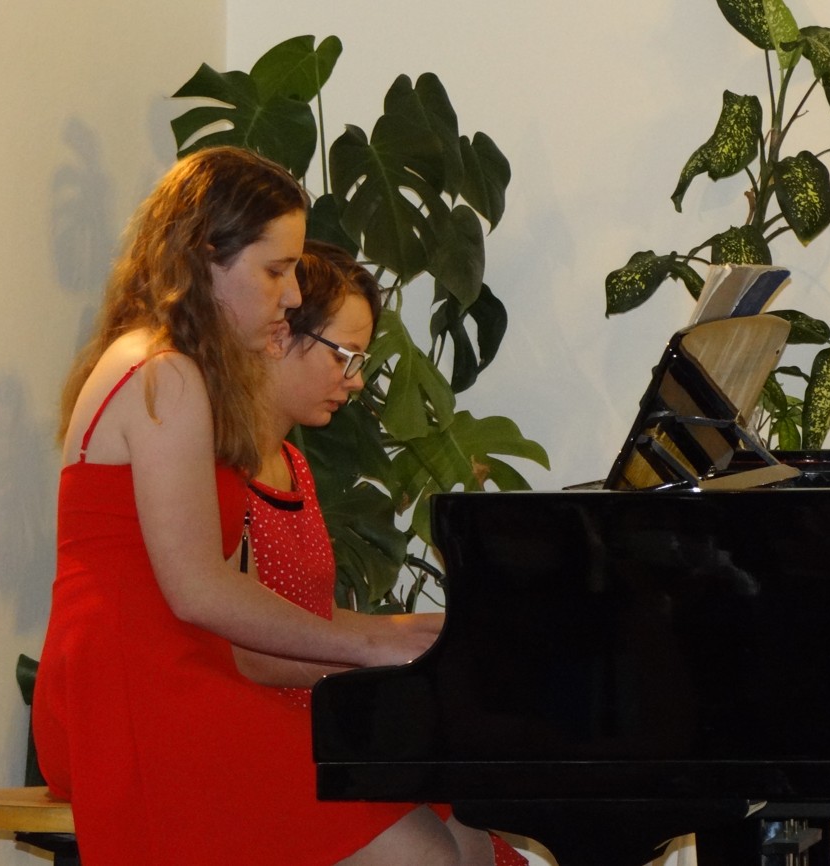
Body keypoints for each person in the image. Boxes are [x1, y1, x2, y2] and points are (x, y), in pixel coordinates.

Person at [33, 147, 488, 865]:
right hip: (129, 693)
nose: (290, 294)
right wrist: (373, 643)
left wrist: (396, 633)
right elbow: (197, 590)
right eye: (276, 270)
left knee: (456, 833)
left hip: (163, 676)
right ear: (206, 254)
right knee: (420, 852)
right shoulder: (163, 373)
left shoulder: (168, 368)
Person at [234, 241, 527, 866]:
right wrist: (385, 656)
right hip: (253, 718)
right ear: (279, 336)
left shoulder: (294, 464)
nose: (357, 379)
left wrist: (424, 633)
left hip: (318, 712)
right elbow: (246, 649)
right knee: (429, 856)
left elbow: (309, 618)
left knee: (477, 843)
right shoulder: (222, 466)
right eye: (345, 355)